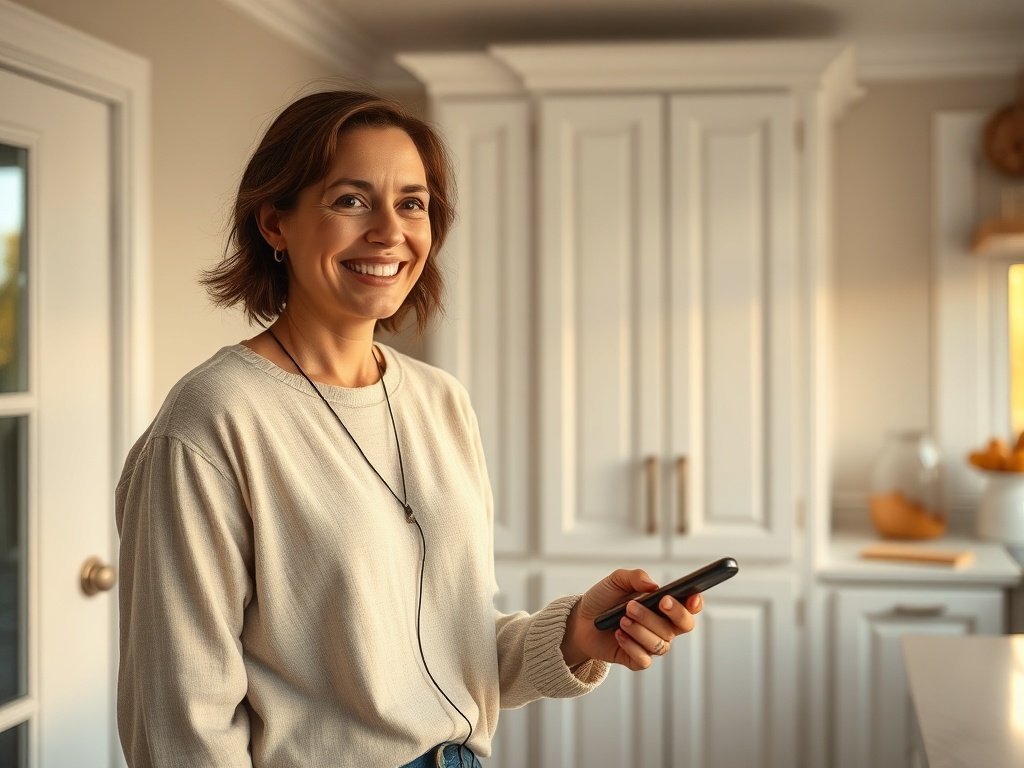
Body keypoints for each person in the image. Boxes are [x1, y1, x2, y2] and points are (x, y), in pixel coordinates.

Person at [115, 89, 703, 768]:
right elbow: (181, 723)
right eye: (350, 200)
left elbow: (451, 651)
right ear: (275, 222)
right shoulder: (212, 421)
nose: (390, 232)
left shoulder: (439, 400)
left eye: (412, 203)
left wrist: (576, 631)